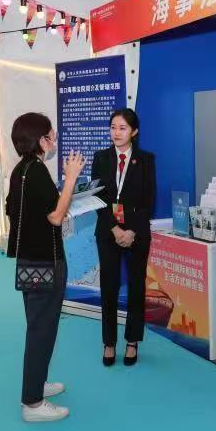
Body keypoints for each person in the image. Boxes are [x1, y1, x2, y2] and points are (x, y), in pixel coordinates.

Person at [5, 112, 85, 423]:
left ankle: (36, 383)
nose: (54, 140)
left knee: (40, 325)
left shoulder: (21, 170)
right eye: (51, 135)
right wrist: (71, 178)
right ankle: (33, 402)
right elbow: (56, 216)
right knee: (42, 329)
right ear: (41, 140)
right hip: (44, 261)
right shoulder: (36, 171)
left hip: (31, 259)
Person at [91, 109, 156, 367]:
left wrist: (131, 232)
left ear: (134, 131)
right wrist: (115, 229)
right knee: (109, 286)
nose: (116, 133)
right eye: (113, 127)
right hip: (108, 232)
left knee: (136, 287)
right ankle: (109, 342)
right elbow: (97, 198)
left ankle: (132, 341)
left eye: (122, 128)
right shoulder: (101, 158)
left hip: (136, 233)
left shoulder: (146, 160)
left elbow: (148, 201)